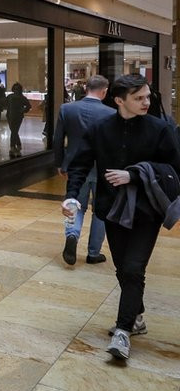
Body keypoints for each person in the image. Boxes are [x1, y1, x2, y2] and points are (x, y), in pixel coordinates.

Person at [62, 74, 180, 361]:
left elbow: (175, 169)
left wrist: (135, 173)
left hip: (146, 211)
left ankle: (123, 332)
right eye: (139, 98)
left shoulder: (160, 129)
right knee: (122, 268)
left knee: (133, 268)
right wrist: (72, 196)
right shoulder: (100, 129)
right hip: (110, 209)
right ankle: (136, 316)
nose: (146, 102)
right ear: (119, 100)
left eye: (147, 97)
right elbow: (79, 164)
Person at [53, 75, 115, 265]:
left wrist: (60, 163)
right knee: (101, 210)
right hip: (102, 169)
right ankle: (94, 252)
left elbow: (57, 140)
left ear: (86, 88)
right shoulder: (111, 113)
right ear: (104, 91)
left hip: (75, 166)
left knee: (75, 205)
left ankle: (72, 236)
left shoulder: (67, 109)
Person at [4, 82, 32, 156]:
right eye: (15, 88)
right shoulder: (10, 96)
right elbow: (4, 104)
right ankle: (18, 145)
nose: (16, 90)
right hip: (10, 116)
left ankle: (13, 146)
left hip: (18, 116)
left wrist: (23, 110)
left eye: (18, 89)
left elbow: (29, 106)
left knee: (14, 131)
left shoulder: (22, 97)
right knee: (14, 131)